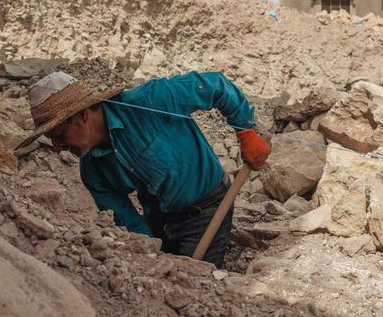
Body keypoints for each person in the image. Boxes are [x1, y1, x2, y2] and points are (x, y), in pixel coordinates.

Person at [14, 70, 270, 267]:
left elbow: (215, 85)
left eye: (58, 134)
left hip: (207, 210)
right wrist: (152, 253)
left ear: (81, 115)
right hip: (159, 220)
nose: (58, 146)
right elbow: (128, 221)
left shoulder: (149, 101)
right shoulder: (92, 170)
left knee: (199, 280)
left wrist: (245, 130)